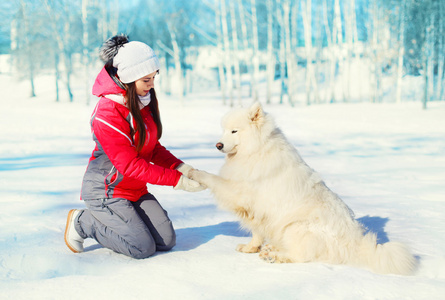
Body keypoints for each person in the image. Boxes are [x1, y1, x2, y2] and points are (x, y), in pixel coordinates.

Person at [64, 35, 205, 259]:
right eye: (146, 79)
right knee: (141, 247)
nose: (152, 84)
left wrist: (182, 168)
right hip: (107, 191)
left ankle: (126, 223)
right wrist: (177, 181)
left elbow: (153, 147)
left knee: (166, 241)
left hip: (135, 189)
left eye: (153, 77)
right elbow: (129, 165)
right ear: (128, 78)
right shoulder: (108, 112)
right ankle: (83, 222)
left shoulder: (142, 101)